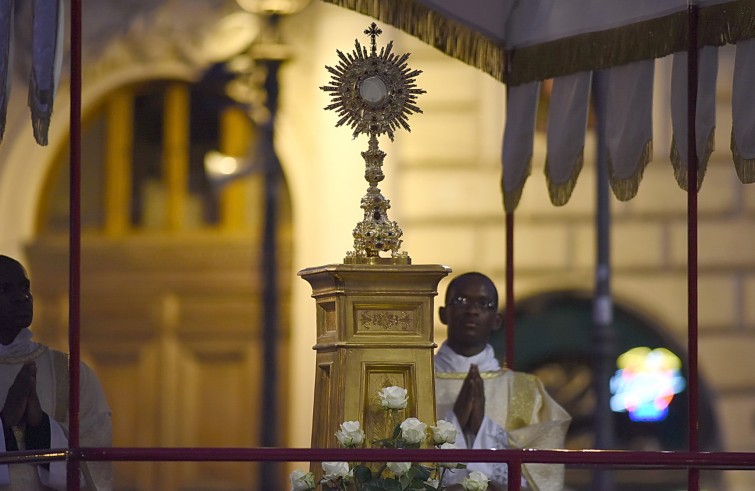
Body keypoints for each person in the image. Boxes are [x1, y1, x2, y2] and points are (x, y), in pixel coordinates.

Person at [434, 272, 571, 490]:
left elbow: (544, 474)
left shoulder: (526, 389)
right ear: (443, 314)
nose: (472, 310)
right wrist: (455, 422)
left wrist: (481, 427)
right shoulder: (417, 380)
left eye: (484, 303)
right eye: (461, 301)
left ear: (497, 320)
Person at [0, 255, 112, 490]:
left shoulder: (70, 373)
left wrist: (39, 425)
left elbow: (96, 462)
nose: (23, 298)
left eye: (25, 287)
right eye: (5, 289)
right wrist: (6, 420)